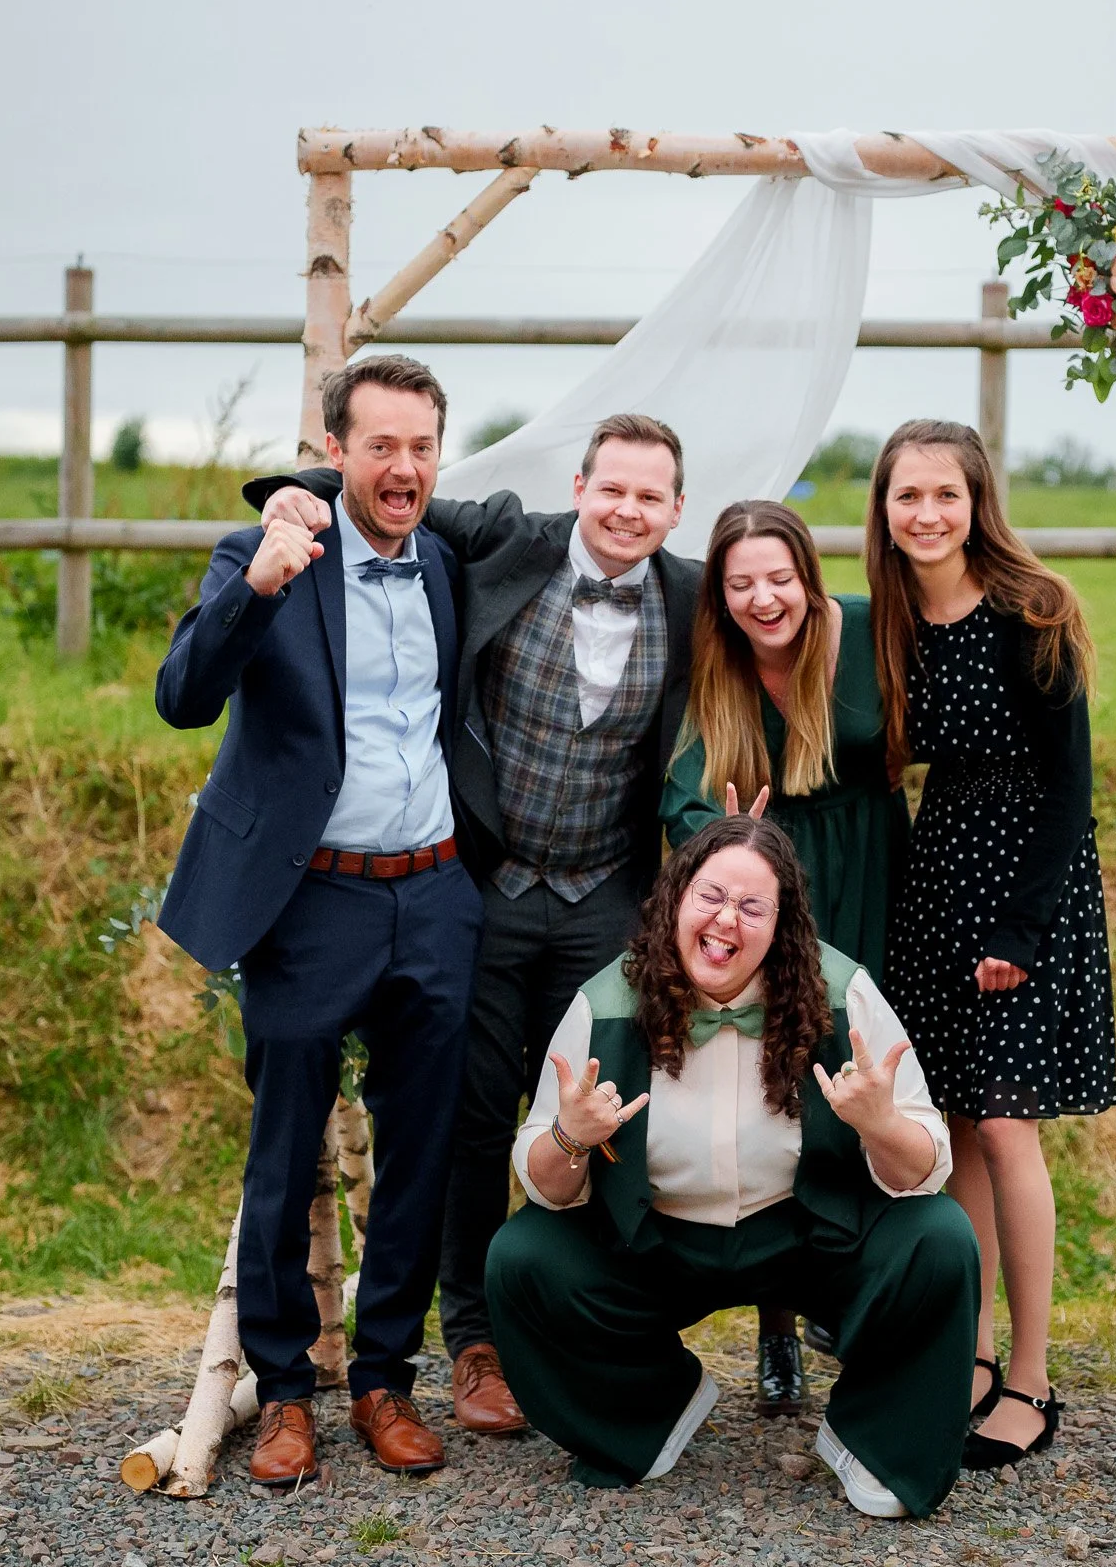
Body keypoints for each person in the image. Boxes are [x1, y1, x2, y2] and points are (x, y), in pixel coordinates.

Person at [248, 413, 698, 1440]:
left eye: (650, 496)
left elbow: (791, 607)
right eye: (611, 487)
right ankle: (473, 1340)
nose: (627, 510)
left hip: (607, 897)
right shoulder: (506, 537)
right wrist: (292, 493)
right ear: (578, 486)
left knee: (605, 1116)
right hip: (488, 883)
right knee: (469, 1117)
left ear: (676, 509)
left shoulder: (691, 590)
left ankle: (591, 1329)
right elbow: (384, 486)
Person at [154, 354, 481, 1484]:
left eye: (421, 446)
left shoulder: (443, 562)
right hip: (313, 895)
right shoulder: (266, 552)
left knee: (421, 1144)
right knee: (285, 1144)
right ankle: (286, 1388)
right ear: (334, 449)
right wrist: (261, 582)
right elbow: (183, 695)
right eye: (380, 445)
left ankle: (385, 1378)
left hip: (435, 890)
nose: (403, 468)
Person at [485, 815, 979, 1518]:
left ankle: (874, 1438)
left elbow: (927, 1165)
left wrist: (882, 1125)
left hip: (810, 1234)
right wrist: (570, 1135)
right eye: (711, 895)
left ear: (782, 925)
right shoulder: (604, 1004)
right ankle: (650, 1408)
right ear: (676, 899)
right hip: (657, 1241)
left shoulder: (843, 996)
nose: (726, 920)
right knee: (523, 1254)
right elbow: (543, 1185)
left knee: (940, 1236)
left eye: (752, 907)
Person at [866, 417, 1116, 1471]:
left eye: (945, 494)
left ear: (977, 503)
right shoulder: (887, 622)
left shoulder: (1032, 611)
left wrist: (1024, 923)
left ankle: (1031, 1372)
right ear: (882, 509)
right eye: (906, 495)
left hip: (1025, 879)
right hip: (938, 874)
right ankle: (967, 1352)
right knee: (958, 1121)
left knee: (1009, 1125)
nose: (926, 513)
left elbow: (1070, 785)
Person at [659, 499, 909, 1413]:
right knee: (779, 1086)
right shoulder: (716, 677)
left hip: (872, 872)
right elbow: (682, 801)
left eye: (779, 577)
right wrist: (731, 841)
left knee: (863, 1082)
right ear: (720, 598)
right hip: (773, 891)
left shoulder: (870, 631)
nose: (764, 598)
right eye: (741, 584)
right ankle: (776, 1320)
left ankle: (862, 1308)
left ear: (808, 576)